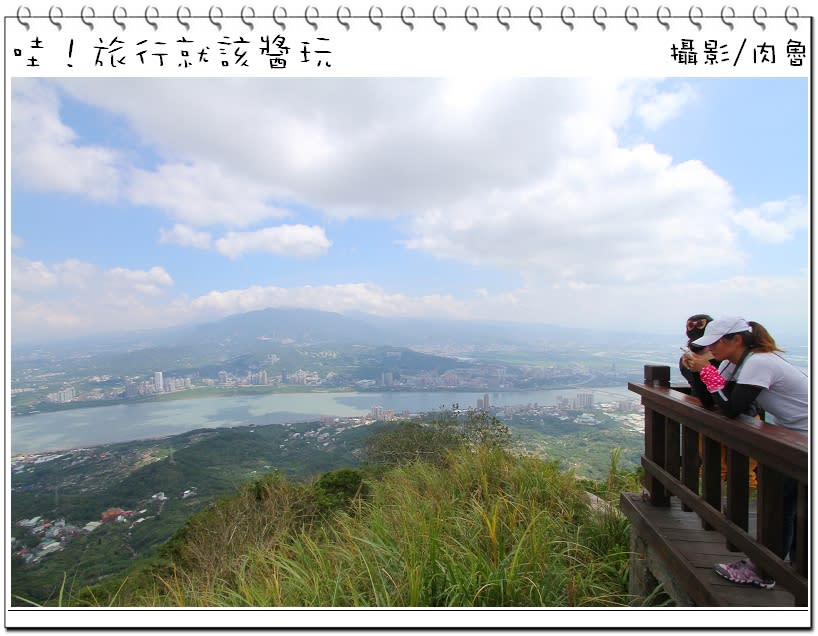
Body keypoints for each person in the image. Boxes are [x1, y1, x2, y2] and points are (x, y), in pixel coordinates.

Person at [686, 316, 808, 589]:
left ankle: (769, 570)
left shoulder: (759, 362)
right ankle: (776, 568)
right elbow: (712, 400)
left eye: (714, 343)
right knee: (785, 502)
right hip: (796, 437)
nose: (711, 349)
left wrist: (707, 370)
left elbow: (732, 408)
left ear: (736, 340)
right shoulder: (734, 363)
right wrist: (697, 370)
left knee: (783, 502)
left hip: (805, 438)